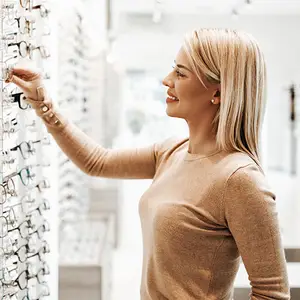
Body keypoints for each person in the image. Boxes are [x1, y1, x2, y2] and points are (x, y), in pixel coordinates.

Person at [7, 28, 290, 299]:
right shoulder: (172, 152)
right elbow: (97, 162)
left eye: (180, 73)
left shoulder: (239, 179)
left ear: (217, 92)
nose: (167, 80)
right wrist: (42, 101)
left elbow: (272, 293)